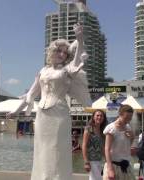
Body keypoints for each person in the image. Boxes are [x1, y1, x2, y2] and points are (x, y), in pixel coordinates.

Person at [6, 23, 91, 180]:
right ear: (52, 51)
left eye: (65, 52)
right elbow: (31, 93)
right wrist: (16, 111)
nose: (61, 54)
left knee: (58, 150)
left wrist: (79, 39)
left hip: (60, 114)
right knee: (42, 150)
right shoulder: (42, 71)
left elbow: (78, 59)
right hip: (42, 115)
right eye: (58, 50)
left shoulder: (67, 70)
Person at [103, 105, 135, 180]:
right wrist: (110, 169)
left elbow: (128, 145)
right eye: (126, 118)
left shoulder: (128, 127)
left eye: (130, 118)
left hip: (126, 166)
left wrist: (132, 137)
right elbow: (107, 149)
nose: (128, 120)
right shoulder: (111, 128)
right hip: (114, 165)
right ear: (120, 114)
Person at [82, 109, 107, 180]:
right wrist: (86, 162)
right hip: (91, 160)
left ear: (103, 118)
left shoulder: (102, 131)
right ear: (93, 117)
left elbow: (102, 147)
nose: (99, 117)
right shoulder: (89, 129)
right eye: (97, 115)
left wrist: (106, 159)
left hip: (99, 160)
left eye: (101, 116)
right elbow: (84, 145)